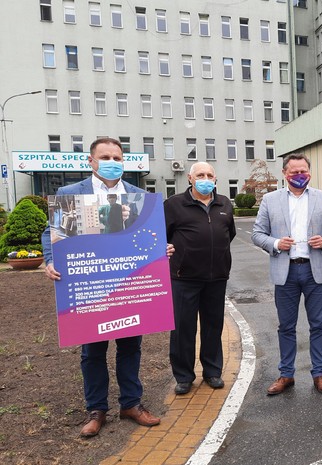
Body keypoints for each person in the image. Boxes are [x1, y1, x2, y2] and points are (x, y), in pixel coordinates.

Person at [42, 137, 168, 437]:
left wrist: (162, 250)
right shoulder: (70, 193)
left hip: (128, 285)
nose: (112, 162)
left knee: (130, 347)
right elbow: (52, 233)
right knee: (92, 352)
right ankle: (96, 409)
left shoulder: (139, 196)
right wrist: (50, 259)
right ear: (91, 161)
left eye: (117, 157)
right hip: (92, 286)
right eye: (105, 157)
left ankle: (131, 404)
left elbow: (150, 236)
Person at [252, 153, 322, 396]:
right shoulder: (270, 200)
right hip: (285, 271)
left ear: (309, 172)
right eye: (294, 172)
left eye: (304, 171)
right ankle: (286, 374)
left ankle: (319, 373)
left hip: (315, 271)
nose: (300, 175)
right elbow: (257, 234)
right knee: (286, 326)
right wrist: (276, 243)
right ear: (284, 174)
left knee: (318, 325)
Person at [164, 162, 236, 395]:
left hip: (217, 277)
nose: (205, 179)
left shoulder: (224, 203)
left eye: (209, 175)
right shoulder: (174, 204)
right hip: (184, 277)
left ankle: (212, 371)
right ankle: (184, 376)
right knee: (183, 328)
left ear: (215, 179)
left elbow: (229, 234)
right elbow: (162, 237)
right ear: (190, 178)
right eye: (200, 175)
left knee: (213, 326)